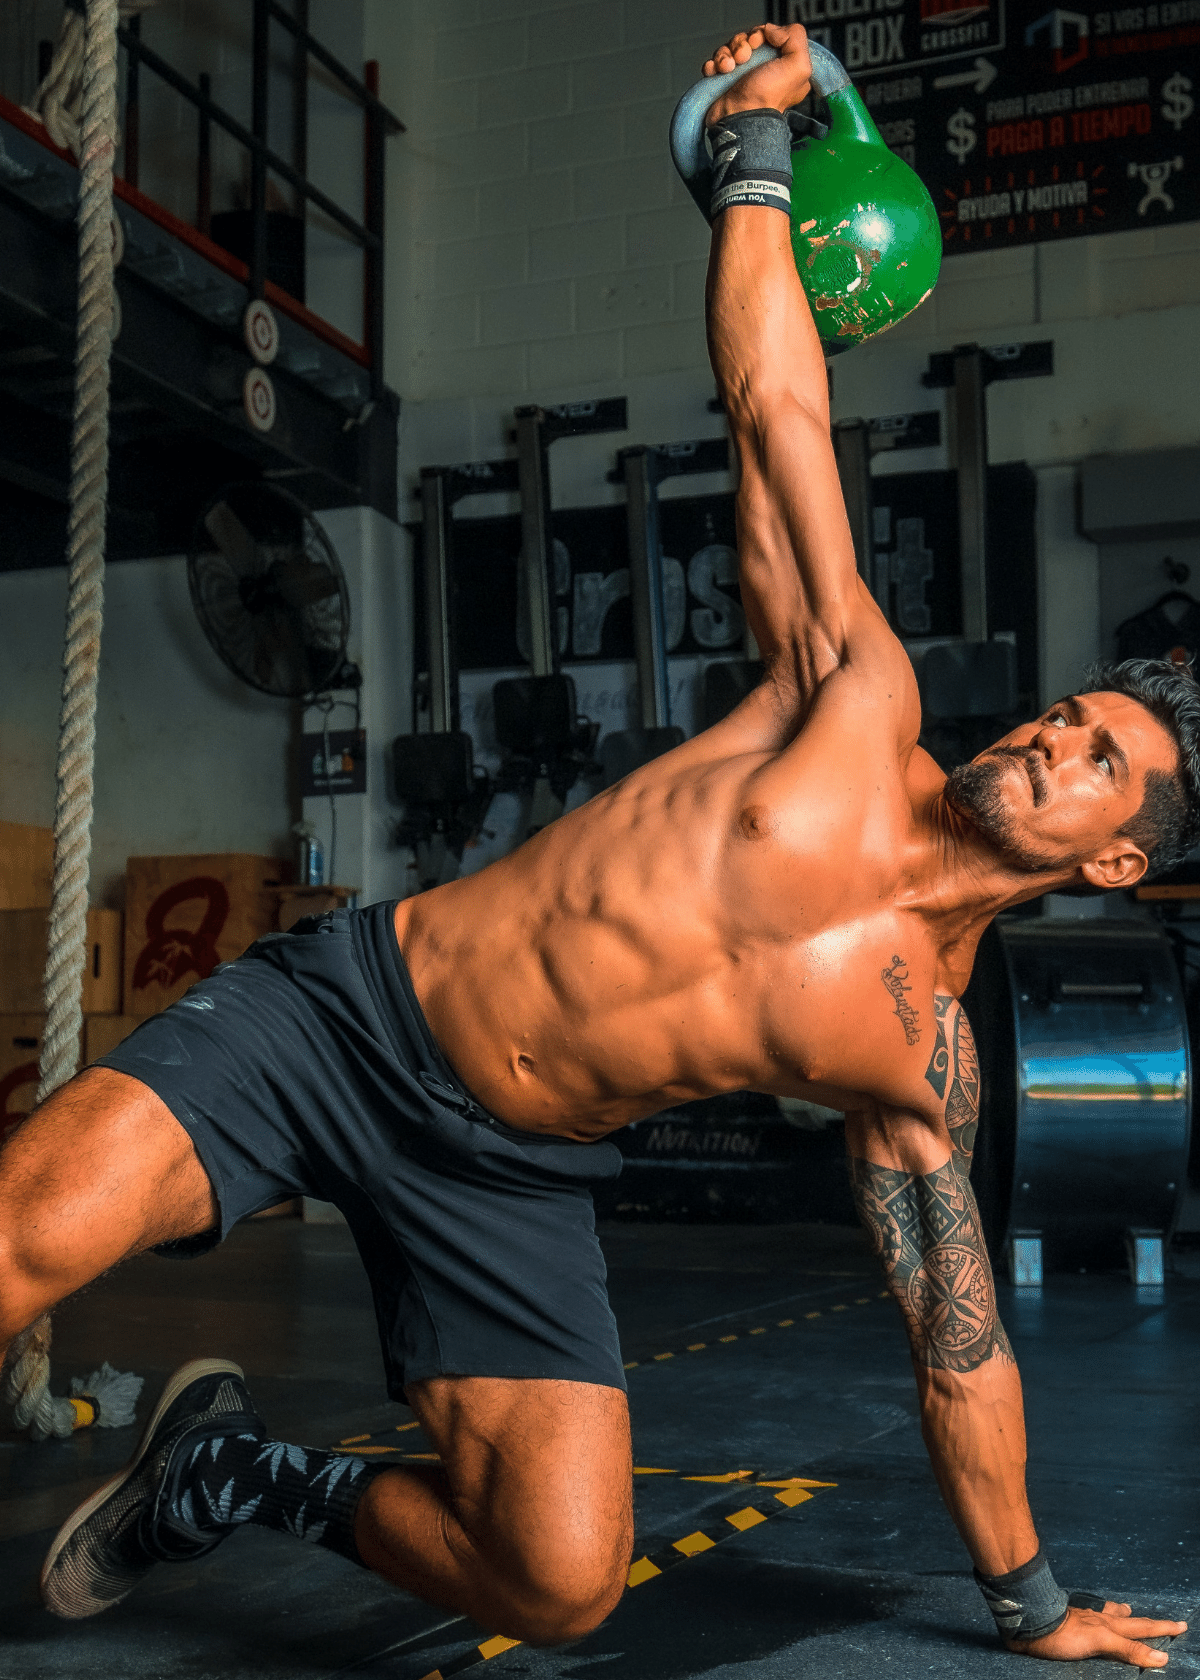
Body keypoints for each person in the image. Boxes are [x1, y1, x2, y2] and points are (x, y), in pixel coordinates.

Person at [5, 19, 1194, 1668]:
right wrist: (755, 156)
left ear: (1117, 861)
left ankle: (229, 1476)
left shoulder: (921, 1057)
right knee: (24, 1239)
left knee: (560, 1584)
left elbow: (959, 1345)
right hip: (347, 1022)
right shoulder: (857, 700)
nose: (1052, 741)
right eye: (1068, 717)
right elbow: (776, 406)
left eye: (1098, 763)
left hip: (507, 1173)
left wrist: (1035, 1609)